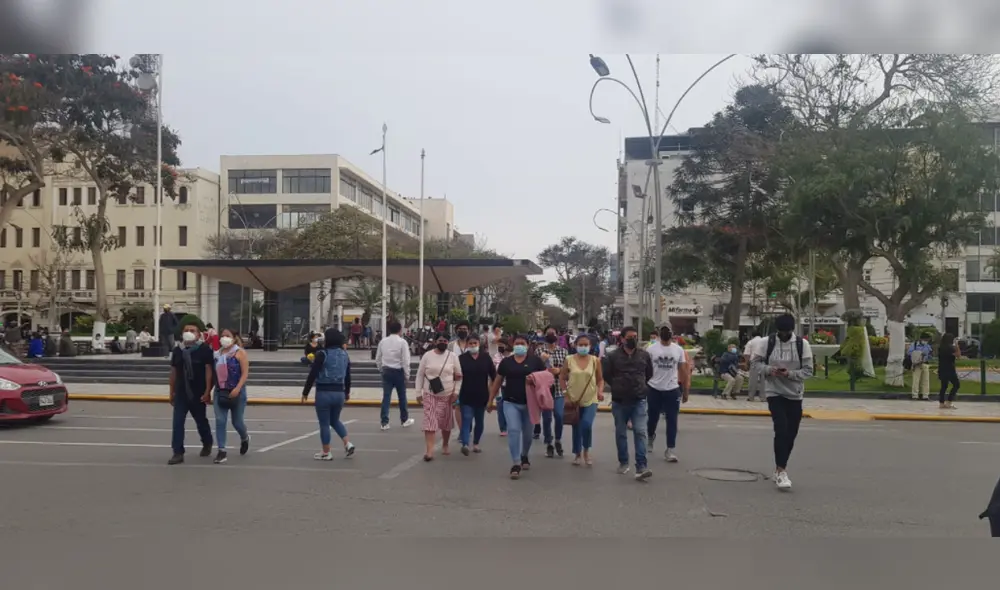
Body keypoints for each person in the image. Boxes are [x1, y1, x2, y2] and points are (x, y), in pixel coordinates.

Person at [751, 313, 813, 491]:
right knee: (781, 429)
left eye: (787, 332)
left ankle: (780, 466)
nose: (784, 335)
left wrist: (790, 374)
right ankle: (781, 471)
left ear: (792, 330)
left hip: (794, 393)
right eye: (781, 332)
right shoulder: (767, 343)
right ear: (776, 330)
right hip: (774, 391)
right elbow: (754, 364)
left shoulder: (802, 345)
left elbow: (809, 371)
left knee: (791, 433)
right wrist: (770, 370)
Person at [489, 334, 547, 479]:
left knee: (528, 434)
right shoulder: (506, 362)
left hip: (530, 403)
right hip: (510, 402)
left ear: (528, 345)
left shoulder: (535, 361)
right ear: (513, 345)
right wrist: (490, 399)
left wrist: (534, 379)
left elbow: (546, 379)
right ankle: (515, 463)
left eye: (522, 343)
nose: (519, 345)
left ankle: (524, 455)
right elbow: (497, 380)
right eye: (517, 343)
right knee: (514, 430)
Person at [603, 325, 653, 481]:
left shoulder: (644, 355)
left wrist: (640, 385)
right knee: (621, 433)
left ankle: (641, 466)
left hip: (639, 399)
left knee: (640, 431)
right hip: (619, 400)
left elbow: (649, 374)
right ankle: (623, 462)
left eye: (635, 336)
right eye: (630, 337)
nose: (633, 339)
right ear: (622, 339)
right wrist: (618, 386)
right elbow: (607, 376)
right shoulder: (612, 356)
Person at [302, 328, 356, 460]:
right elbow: (348, 376)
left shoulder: (322, 354)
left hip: (324, 392)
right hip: (339, 392)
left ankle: (326, 452)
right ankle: (347, 443)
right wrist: (347, 392)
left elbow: (313, 373)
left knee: (324, 423)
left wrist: (305, 392)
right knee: (335, 420)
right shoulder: (345, 355)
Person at [167, 317, 214, 465]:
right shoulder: (177, 351)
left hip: (198, 392)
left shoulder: (204, 349)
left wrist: (207, 391)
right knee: (178, 423)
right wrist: (171, 391)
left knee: (201, 421)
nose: (189, 333)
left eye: (192, 331)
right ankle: (178, 452)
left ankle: (207, 442)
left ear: (198, 334)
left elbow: (208, 371)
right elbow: (173, 371)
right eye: (186, 330)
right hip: (181, 392)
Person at [415, 332, 462, 461]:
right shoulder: (427, 356)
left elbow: (459, 377)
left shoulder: (453, 357)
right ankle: (429, 451)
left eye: (445, 341)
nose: (443, 342)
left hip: (447, 394)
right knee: (430, 422)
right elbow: (420, 375)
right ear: (435, 342)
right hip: (430, 394)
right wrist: (418, 392)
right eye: (440, 340)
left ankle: (445, 444)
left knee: (445, 423)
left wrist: (456, 392)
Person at [560, 333, 604, 466]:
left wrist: (600, 391)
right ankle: (577, 453)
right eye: (581, 345)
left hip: (590, 398)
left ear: (590, 346)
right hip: (574, 399)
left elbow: (600, 379)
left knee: (586, 424)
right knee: (576, 426)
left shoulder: (595, 360)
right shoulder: (569, 359)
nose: (583, 347)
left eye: (586, 345)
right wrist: (565, 394)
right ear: (575, 345)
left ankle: (586, 450)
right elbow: (562, 377)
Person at [646, 326, 688, 463]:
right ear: (659, 335)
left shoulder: (678, 350)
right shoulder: (651, 349)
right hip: (654, 388)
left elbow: (683, 370)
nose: (666, 335)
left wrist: (685, 390)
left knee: (672, 420)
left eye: (668, 332)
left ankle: (670, 449)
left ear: (672, 334)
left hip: (672, 388)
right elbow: (645, 368)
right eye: (663, 332)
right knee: (652, 418)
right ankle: (650, 437)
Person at [211, 329, 251, 464]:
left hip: (237, 391)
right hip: (220, 391)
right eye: (222, 336)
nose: (224, 338)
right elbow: (213, 374)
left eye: (227, 336)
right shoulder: (217, 354)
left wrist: (238, 388)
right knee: (220, 420)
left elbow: (245, 373)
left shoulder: (240, 353)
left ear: (234, 339)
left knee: (237, 421)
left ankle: (245, 437)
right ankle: (221, 451)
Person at [457, 333, 496, 455]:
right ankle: (465, 444)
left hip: (482, 395)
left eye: (475, 343)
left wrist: (492, 396)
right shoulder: (461, 359)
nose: (473, 345)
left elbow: (494, 377)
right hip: (466, 395)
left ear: (479, 344)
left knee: (479, 421)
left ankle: (476, 443)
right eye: (470, 343)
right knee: (467, 419)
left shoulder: (486, 358)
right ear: (467, 344)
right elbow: (456, 377)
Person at [534, 325, 567, 457]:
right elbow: (534, 368)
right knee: (547, 418)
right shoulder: (539, 351)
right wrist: (543, 365)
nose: (551, 336)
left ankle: (558, 439)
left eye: (553, 333)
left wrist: (559, 371)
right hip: (545, 389)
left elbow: (567, 370)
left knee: (559, 416)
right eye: (548, 333)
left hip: (559, 388)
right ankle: (549, 442)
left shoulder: (563, 352)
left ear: (557, 335)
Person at [375, 319, 414, 430]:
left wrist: (381, 369)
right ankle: (404, 419)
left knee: (386, 397)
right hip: (398, 371)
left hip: (386, 370)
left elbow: (378, 358)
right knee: (402, 396)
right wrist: (407, 375)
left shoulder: (383, 341)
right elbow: (406, 360)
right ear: (400, 330)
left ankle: (384, 422)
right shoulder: (403, 342)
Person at [938, 332, 961, 409]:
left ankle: (941, 403)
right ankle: (949, 401)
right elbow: (958, 355)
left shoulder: (941, 347)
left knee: (944, 386)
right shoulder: (951, 348)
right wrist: (957, 344)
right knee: (956, 385)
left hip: (942, 368)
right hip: (950, 369)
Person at [492, 338, 510, 436]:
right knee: (501, 407)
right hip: (500, 385)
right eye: (499, 345)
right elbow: (498, 368)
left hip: (511, 385)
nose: (500, 347)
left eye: (502, 345)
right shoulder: (496, 356)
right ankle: (503, 428)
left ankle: (511, 425)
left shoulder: (512, 355)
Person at [907, 332, 933, 400]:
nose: (926, 341)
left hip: (925, 363)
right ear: (921, 338)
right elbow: (909, 353)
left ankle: (925, 395)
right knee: (916, 380)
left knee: (926, 380)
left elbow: (930, 354)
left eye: (927, 340)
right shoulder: (914, 345)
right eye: (925, 339)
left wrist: (928, 356)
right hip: (916, 364)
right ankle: (915, 395)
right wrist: (918, 354)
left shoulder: (927, 346)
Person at [743, 330, 765, 401]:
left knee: (753, 380)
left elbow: (747, 354)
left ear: (752, 335)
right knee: (764, 381)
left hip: (754, 362)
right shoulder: (764, 341)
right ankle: (763, 397)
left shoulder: (751, 342)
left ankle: (751, 397)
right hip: (764, 362)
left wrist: (746, 363)